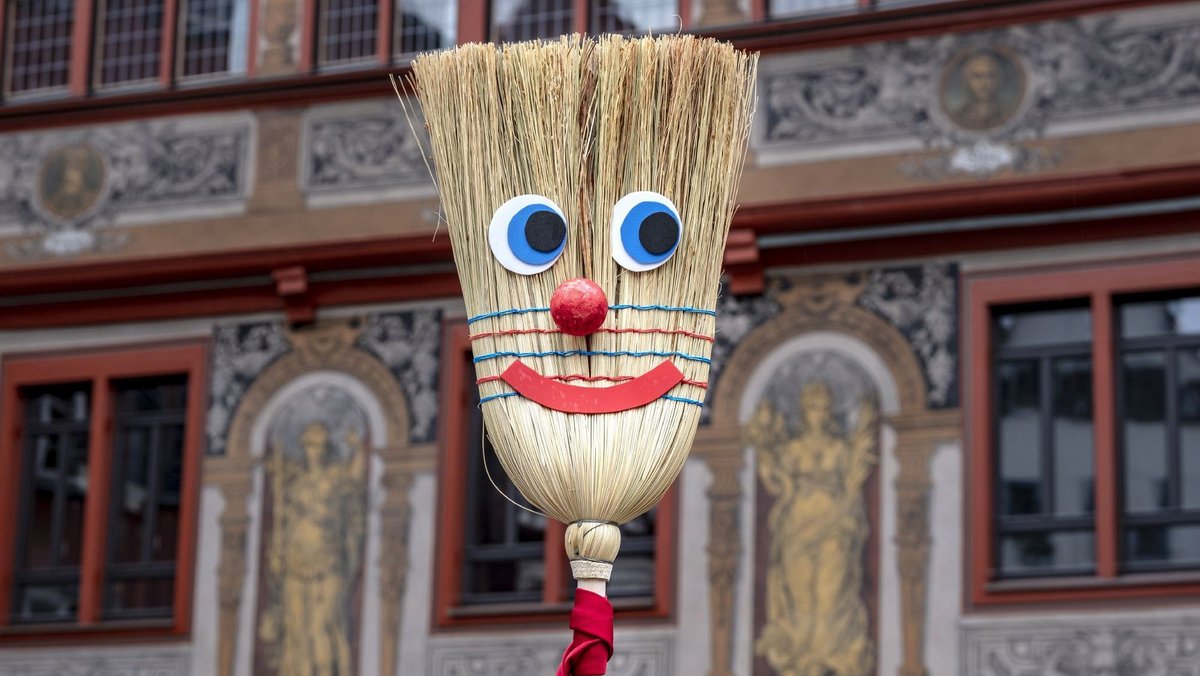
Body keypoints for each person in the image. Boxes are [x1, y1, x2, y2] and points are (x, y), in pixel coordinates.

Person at [749, 381, 877, 676]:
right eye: (811, 407)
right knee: (800, 593)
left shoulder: (841, 448)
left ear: (829, 410)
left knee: (831, 591)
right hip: (797, 525)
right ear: (803, 411)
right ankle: (803, 658)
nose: (817, 413)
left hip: (834, 524)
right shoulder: (792, 449)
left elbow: (852, 486)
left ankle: (827, 655)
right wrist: (766, 444)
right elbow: (776, 483)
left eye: (822, 407)